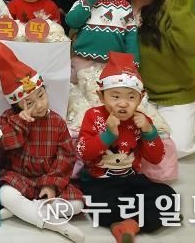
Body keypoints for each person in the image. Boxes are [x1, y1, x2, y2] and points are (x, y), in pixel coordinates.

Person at [0, 34, 85, 243]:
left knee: (77, 205)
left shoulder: (56, 122)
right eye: (29, 103)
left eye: (41, 95)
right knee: (5, 194)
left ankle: (23, 211)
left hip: (46, 178)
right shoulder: (8, 119)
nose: (39, 105)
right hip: (18, 178)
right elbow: (5, 145)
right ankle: (57, 226)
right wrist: (20, 123)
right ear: (16, 105)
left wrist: (51, 185)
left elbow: (66, 157)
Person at [76, 52, 178, 242]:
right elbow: (84, 152)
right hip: (99, 181)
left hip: (131, 180)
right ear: (101, 96)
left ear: (140, 98)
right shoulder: (93, 116)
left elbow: (156, 158)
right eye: (115, 96)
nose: (123, 103)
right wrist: (108, 135)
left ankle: (129, 225)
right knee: (99, 204)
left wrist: (149, 131)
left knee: (168, 196)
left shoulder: (142, 120)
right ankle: (130, 222)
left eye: (131, 97)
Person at [122, 0, 195, 158]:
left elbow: (192, 46)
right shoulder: (115, 10)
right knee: (124, 146)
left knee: (176, 150)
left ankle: (181, 130)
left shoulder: (169, 9)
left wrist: (178, 5)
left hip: (174, 94)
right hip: (134, 94)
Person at [65, 0, 139, 82]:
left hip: (113, 64)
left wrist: (132, 62)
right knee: (79, 92)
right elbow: (72, 22)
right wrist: (90, 1)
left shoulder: (124, 7)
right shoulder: (83, 3)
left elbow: (131, 37)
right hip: (82, 61)